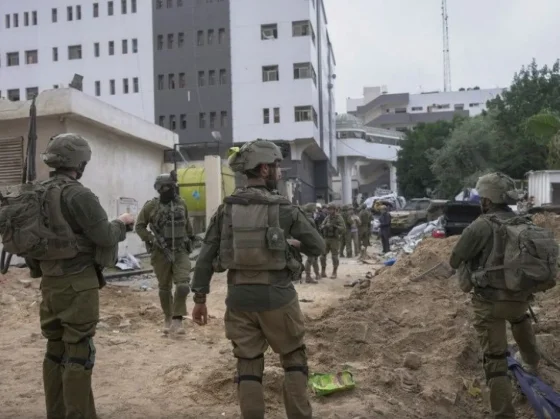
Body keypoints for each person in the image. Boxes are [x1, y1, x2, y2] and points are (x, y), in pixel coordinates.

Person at [190, 139, 325, 419]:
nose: (280, 171)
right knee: (294, 359)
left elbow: (205, 256)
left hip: (239, 299)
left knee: (248, 363)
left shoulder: (226, 209)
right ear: (264, 169)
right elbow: (318, 247)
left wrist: (200, 299)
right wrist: (291, 243)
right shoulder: (284, 208)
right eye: (276, 166)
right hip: (278, 297)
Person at [38, 134, 134, 418]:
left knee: (54, 351)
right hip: (78, 283)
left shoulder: (38, 192)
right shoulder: (78, 194)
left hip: (49, 282)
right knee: (78, 353)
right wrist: (122, 223)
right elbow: (104, 236)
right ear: (79, 163)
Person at [449, 172, 547, 419]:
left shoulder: (480, 225)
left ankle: (503, 414)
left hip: (490, 305)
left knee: (495, 359)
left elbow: (455, 259)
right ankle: (532, 366)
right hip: (520, 299)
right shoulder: (523, 222)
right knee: (519, 319)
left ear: (487, 201)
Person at [135, 173, 195, 335]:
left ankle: (177, 318)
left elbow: (187, 224)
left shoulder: (181, 203)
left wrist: (192, 238)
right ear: (161, 189)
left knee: (183, 285)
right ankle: (168, 317)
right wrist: (151, 239)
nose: (173, 189)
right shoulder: (150, 207)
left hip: (180, 250)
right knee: (164, 288)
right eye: (169, 186)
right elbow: (139, 226)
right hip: (160, 252)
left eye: (173, 186)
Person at [319, 203, 345, 278]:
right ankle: (323, 271)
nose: (329, 211)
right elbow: (321, 226)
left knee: (334, 256)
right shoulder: (327, 217)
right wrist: (325, 226)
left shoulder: (338, 217)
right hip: (326, 238)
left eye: (331, 209)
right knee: (322, 256)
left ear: (334, 209)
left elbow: (343, 228)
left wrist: (335, 226)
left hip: (334, 239)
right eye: (328, 209)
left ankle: (334, 272)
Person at [302, 203, 320, 283]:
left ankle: (317, 274)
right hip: (310, 240)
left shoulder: (303, 217)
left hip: (305, 239)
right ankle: (308, 276)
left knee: (314, 258)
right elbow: (314, 231)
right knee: (311, 258)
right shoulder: (310, 219)